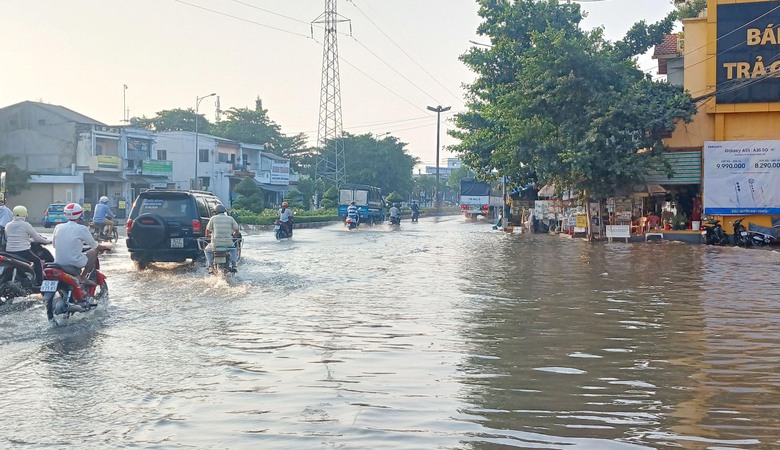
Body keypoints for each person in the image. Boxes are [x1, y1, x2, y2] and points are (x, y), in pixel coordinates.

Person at [52, 203, 103, 285]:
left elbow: (54, 245)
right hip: (74, 262)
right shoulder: (82, 228)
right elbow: (94, 245)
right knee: (94, 252)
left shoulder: (58, 227)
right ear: (80, 214)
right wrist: (105, 248)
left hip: (58, 262)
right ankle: (83, 277)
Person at [5, 205, 51, 287]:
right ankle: (40, 282)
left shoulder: (8, 225)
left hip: (9, 251)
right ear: (25, 214)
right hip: (23, 251)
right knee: (37, 260)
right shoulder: (26, 225)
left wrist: (28, 240)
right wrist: (48, 241)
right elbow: (36, 238)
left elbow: (8, 237)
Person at [204, 204, 240, 273]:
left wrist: (209, 236)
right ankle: (234, 265)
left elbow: (207, 231)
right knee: (233, 250)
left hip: (215, 245)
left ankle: (211, 267)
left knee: (206, 250)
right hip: (228, 244)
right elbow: (237, 230)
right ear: (224, 211)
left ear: (215, 212)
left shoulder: (213, 218)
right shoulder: (230, 218)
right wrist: (234, 235)